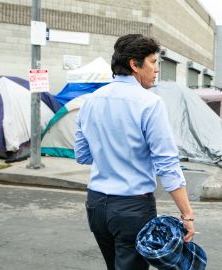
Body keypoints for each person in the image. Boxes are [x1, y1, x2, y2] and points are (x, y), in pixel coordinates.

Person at [75, 34, 195, 270]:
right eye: (152, 62)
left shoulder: (89, 101)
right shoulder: (150, 103)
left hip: (97, 205)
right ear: (134, 64)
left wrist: (109, 152)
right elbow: (167, 164)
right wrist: (187, 214)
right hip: (133, 208)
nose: (157, 69)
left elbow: (82, 155)